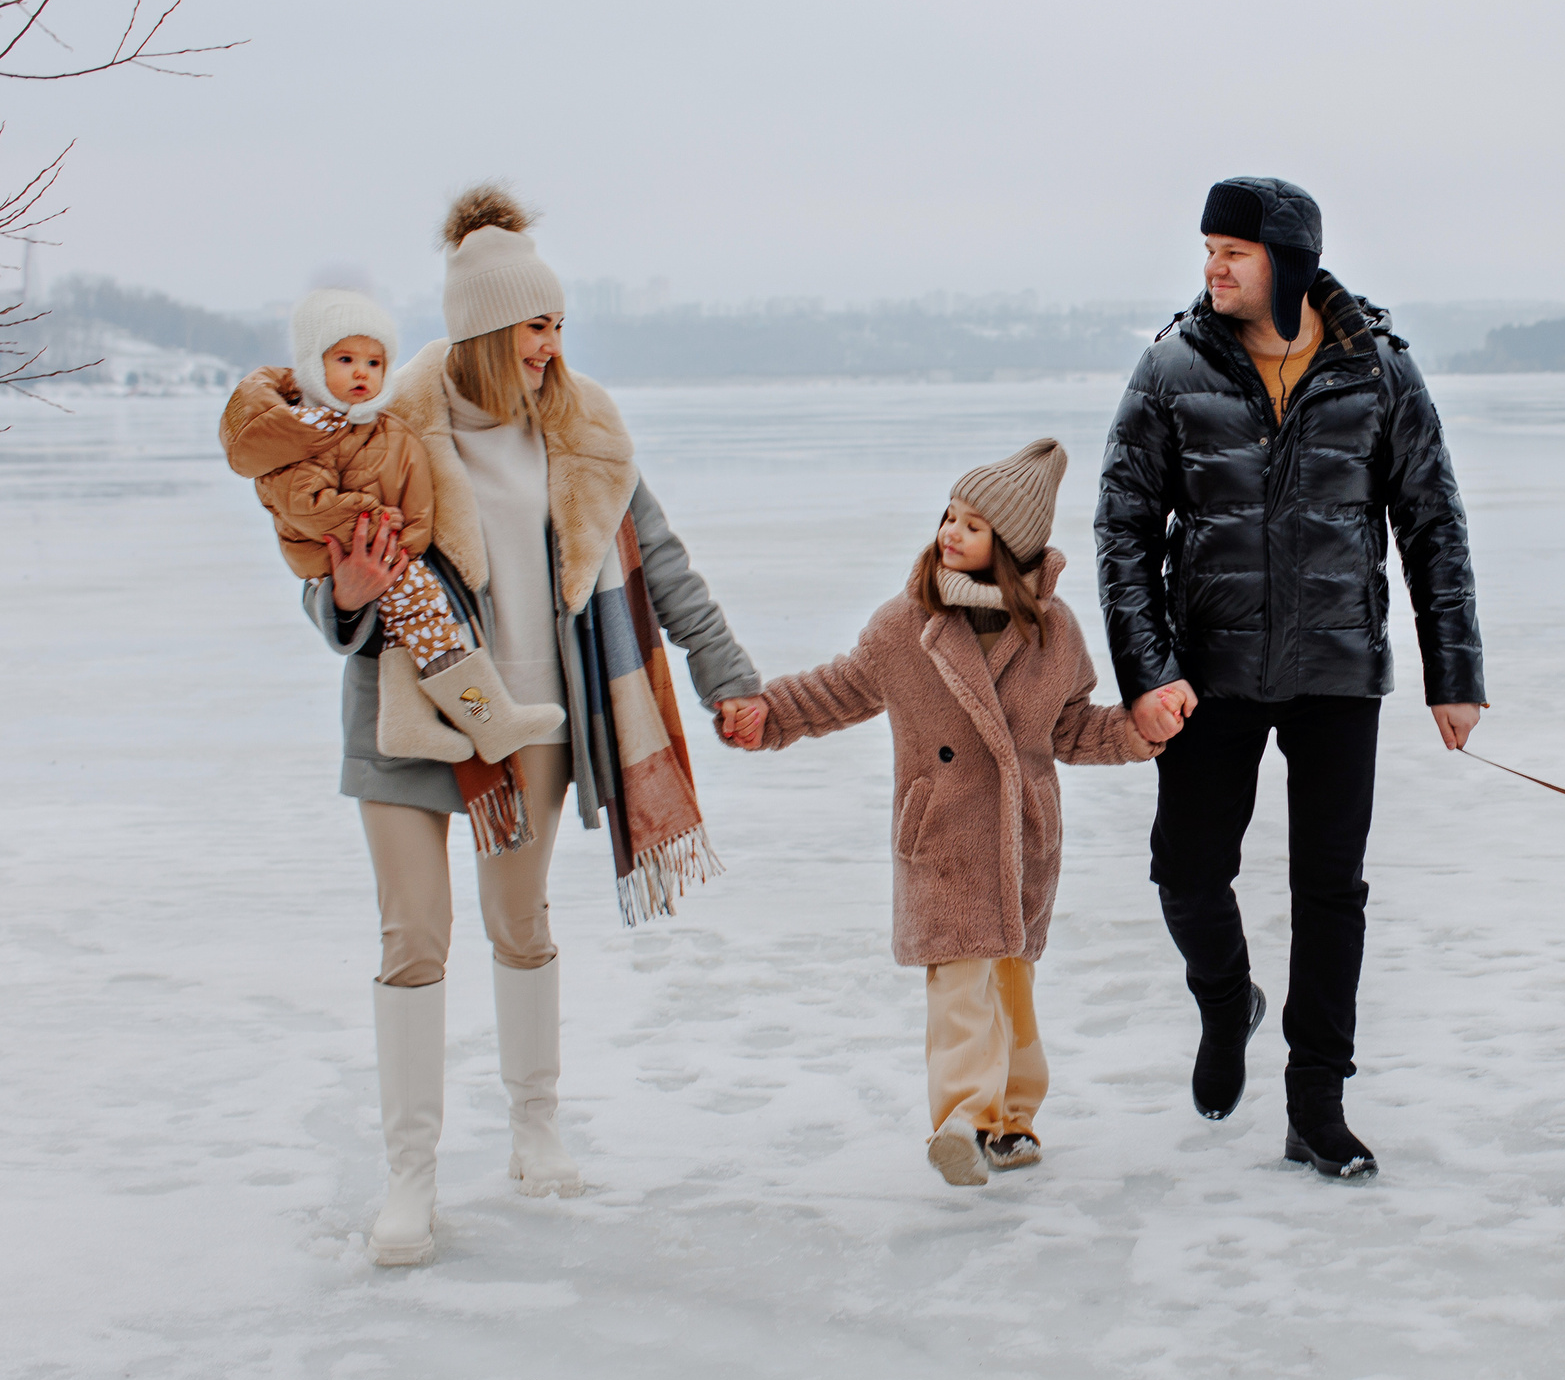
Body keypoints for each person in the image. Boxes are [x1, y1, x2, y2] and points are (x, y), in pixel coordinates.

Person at [309, 185, 763, 1265]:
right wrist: (351, 594)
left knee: (520, 926)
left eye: (559, 324)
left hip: (537, 721)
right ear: (480, 329)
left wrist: (729, 678)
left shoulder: (586, 431)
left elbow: (669, 568)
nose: (551, 347)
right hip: (410, 721)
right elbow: (324, 582)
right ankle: (410, 1178)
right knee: (414, 936)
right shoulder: (391, 432)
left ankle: (534, 1126)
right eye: (534, 326)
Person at [1095, 176, 1487, 1179]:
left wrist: (1455, 670)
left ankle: (1316, 1102)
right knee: (1186, 871)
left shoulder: (1378, 373)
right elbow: (1125, 527)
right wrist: (1146, 672)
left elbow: (1431, 524)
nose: (1211, 267)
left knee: (1330, 892)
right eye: (1208, 250)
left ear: (1290, 263)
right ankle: (1227, 1004)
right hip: (1208, 673)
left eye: (1234, 250)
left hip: (1335, 670)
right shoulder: (1171, 368)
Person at [724, 440, 1178, 1185]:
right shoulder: (906, 626)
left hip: (1020, 837)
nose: (950, 532)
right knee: (959, 987)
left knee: (1011, 987)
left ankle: (1013, 1122)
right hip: (942, 835)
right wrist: (767, 714)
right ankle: (964, 1120)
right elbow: (838, 689)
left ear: (1012, 545)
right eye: (949, 515)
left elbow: (1071, 729)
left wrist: (1137, 729)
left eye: (972, 524)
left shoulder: (1054, 633)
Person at [223, 289, 562, 764]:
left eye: (375, 362)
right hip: (347, 553)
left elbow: (413, 494)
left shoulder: (378, 427)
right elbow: (305, 503)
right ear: (312, 366)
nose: (362, 372)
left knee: (412, 628)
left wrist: (406, 536)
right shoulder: (307, 433)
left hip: (390, 552)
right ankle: (490, 719)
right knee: (428, 620)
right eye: (345, 359)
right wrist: (378, 520)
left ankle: (408, 722)